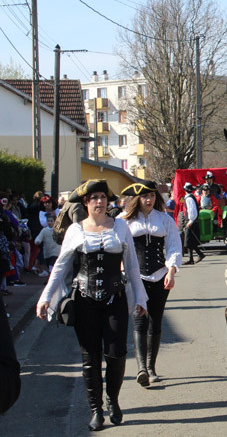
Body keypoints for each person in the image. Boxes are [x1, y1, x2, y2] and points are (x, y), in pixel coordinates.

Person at [36, 179, 148, 431]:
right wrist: (45, 298)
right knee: (91, 358)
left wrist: (140, 299)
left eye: (103, 197)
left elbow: (131, 266)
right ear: (86, 203)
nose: (100, 201)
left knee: (117, 353)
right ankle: (96, 410)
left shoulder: (119, 227)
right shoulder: (75, 231)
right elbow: (61, 267)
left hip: (114, 299)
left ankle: (113, 400)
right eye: (94, 198)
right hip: (84, 300)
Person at [120, 180, 182, 388]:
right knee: (139, 320)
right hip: (135, 277)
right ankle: (141, 369)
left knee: (155, 320)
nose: (149, 200)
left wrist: (171, 271)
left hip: (159, 275)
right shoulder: (124, 220)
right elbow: (118, 247)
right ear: (138, 198)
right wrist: (121, 269)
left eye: (153, 196)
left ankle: (151, 367)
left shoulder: (164, 219)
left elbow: (174, 246)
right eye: (145, 196)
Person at [182, 183, 205, 265]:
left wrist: (190, 221)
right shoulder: (190, 197)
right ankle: (192, 258)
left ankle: (199, 254)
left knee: (188, 241)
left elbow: (192, 211)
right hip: (192, 221)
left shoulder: (189, 199)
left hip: (191, 222)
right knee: (190, 241)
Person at [34, 213, 60, 277]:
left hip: (56, 249)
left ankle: (51, 278)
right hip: (47, 251)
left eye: (51, 221)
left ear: (55, 221)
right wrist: (37, 241)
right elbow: (39, 237)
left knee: (52, 264)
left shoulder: (57, 230)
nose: (49, 222)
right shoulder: (44, 230)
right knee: (49, 265)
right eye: (48, 221)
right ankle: (51, 276)